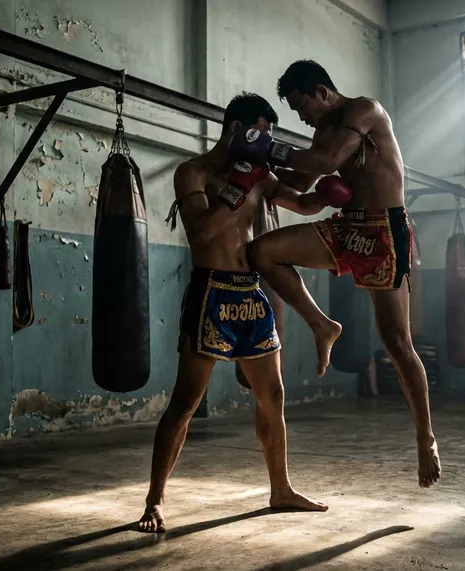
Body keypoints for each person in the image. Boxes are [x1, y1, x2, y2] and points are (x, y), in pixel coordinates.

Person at [229, 59, 442, 489]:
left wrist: (264, 146)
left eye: (301, 105)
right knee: (262, 251)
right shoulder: (320, 133)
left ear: (322, 92)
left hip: (384, 228)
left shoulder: (366, 110)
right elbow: (303, 179)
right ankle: (323, 324)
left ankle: (426, 438)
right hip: (347, 226)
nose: (300, 115)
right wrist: (257, 174)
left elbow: (325, 161)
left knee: (397, 344)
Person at [140, 92, 329, 533]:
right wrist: (237, 185)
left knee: (274, 398)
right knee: (186, 402)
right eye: (258, 135)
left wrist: (333, 192)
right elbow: (203, 234)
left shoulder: (260, 178)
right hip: (212, 294)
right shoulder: (194, 173)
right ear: (235, 130)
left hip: (251, 294)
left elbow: (301, 204)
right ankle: (154, 501)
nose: (262, 145)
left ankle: (280, 489)